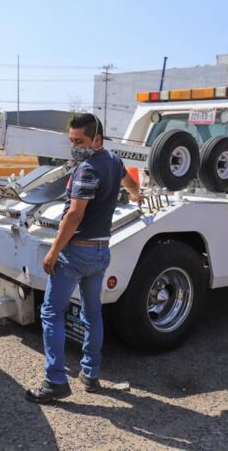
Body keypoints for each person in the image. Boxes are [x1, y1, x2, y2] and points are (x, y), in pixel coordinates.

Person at [25, 113, 142, 403]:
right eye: (72, 141)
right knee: (92, 313)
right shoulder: (113, 161)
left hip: (76, 253)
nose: (75, 147)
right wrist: (137, 194)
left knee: (52, 313)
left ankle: (55, 381)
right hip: (101, 251)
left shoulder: (87, 170)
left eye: (80, 141)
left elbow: (75, 214)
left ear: (97, 139)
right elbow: (130, 183)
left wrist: (53, 251)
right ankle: (90, 374)